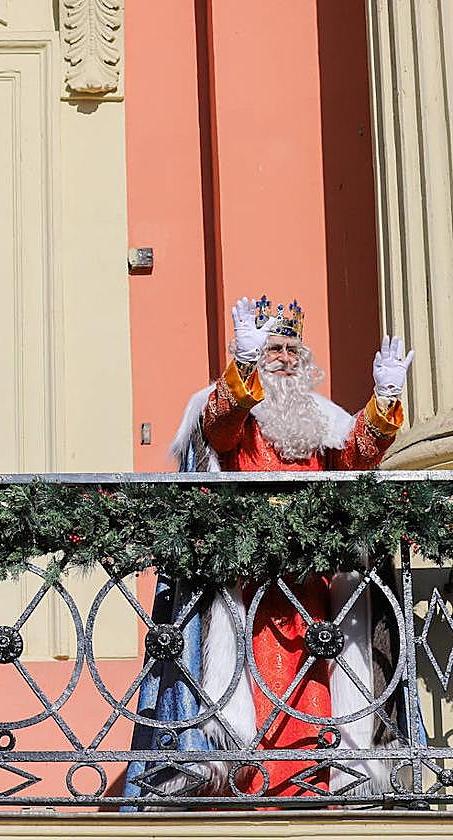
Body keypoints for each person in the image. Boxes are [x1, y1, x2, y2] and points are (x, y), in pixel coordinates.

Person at [125, 296, 417, 802]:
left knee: (320, 694)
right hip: (249, 586)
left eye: (291, 349)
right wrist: (240, 366)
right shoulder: (239, 412)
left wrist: (385, 400)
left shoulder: (321, 420)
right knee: (251, 695)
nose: (284, 357)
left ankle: (313, 788)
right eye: (273, 348)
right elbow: (218, 430)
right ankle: (252, 787)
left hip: (313, 593)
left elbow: (357, 457)